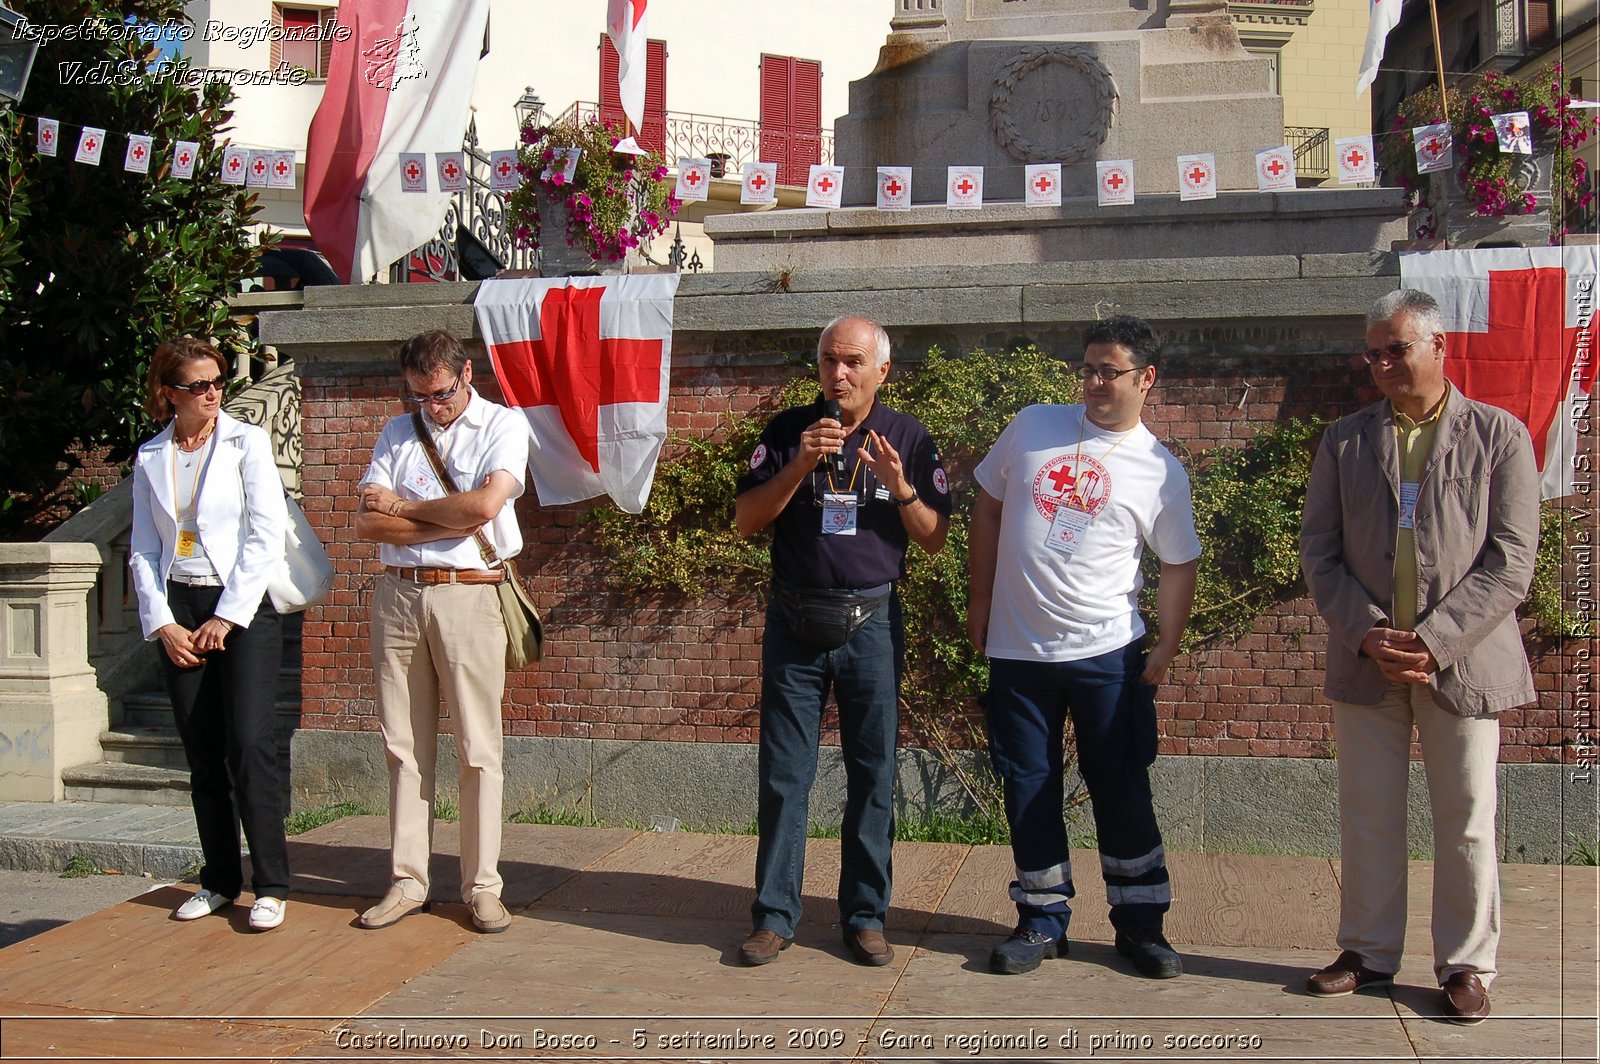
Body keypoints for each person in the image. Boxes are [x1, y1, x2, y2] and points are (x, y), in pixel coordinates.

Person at [1299, 288, 1539, 1024]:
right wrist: (1369, 632)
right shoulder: (1344, 440)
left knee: (1466, 817)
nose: (1380, 364)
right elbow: (1320, 552)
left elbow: (1512, 560)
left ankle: (1467, 964)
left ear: (1440, 347)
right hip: (1367, 658)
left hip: (1461, 663)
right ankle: (1368, 955)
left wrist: (1433, 643)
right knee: (1367, 816)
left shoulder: (1499, 435)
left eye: (1395, 349)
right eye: (1372, 352)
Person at [967, 315, 1200, 979]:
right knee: (1028, 787)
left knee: (1121, 787)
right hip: (1019, 653)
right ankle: (1041, 920)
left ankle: (1141, 925)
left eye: (1112, 371)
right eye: (1090, 368)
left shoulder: (1158, 470)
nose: (1096, 382)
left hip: (1107, 656)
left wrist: (1168, 645)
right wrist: (980, 601)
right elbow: (987, 506)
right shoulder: (1033, 425)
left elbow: (1179, 564)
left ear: (1146, 379)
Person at [734, 316, 952, 967]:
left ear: (881, 371)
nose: (839, 374)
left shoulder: (907, 436)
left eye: (854, 362)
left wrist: (900, 485)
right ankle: (775, 916)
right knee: (784, 776)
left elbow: (934, 537)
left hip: (873, 626)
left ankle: (864, 915)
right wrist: (800, 463)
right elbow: (746, 519)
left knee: (873, 774)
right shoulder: (785, 433)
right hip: (796, 623)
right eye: (830, 360)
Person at [355, 330, 530, 934]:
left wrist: (404, 508)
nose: (432, 406)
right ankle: (408, 879)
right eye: (419, 396)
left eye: (442, 393)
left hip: (470, 594)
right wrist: (438, 518)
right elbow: (368, 525)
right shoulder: (398, 433)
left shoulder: (503, 426)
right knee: (403, 744)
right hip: (399, 594)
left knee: (478, 747)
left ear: (466, 374)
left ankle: (483, 886)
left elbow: (484, 508)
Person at [129, 337, 291, 931]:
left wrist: (228, 615)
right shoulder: (151, 455)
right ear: (168, 393)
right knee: (203, 755)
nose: (213, 393)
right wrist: (163, 622)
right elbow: (144, 549)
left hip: (242, 605)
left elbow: (266, 532)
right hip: (181, 604)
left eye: (218, 381)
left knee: (249, 745)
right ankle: (220, 880)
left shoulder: (247, 442)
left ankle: (271, 884)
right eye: (198, 386)